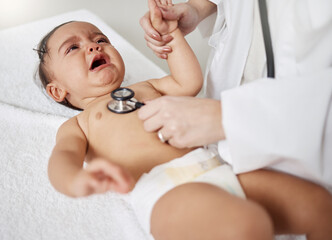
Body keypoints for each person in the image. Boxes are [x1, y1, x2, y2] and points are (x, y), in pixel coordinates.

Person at [35, 0, 332, 239]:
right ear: (58, 90)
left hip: (221, 167)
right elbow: (62, 158)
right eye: (73, 48)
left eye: (100, 39)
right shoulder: (80, 124)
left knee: (320, 205)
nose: (94, 46)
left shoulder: (147, 87)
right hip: (169, 192)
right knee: (245, 225)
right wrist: (75, 180)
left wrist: (172, 34)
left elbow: (188, 82)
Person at [139, 0, 332, 192]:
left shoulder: (143, 88)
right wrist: (197, 7)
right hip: (219, 147)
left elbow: (187, 83)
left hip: (306, 140)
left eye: (106, 40)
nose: (106, 48)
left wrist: (226, 117)